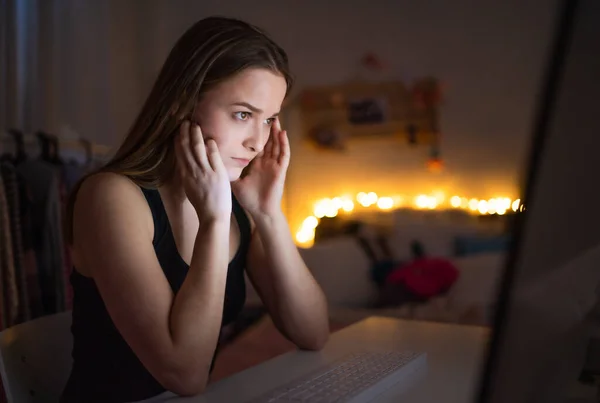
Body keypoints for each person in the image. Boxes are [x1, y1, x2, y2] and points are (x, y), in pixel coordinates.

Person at [60, 16, 330, 403]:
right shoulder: (111, 197)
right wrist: (214, 220)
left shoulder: (239, 206)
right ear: (182, 106)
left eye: (269, 120)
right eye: (242, 115)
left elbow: (313, 332)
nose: (257, 141)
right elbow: (185, 375)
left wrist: (269, 215)